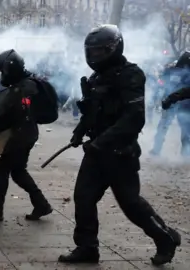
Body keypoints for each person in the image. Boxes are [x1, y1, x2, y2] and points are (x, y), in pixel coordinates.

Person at [59, 24, 181, 266]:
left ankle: (164, 237)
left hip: (119, 153)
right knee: (83, 198)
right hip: (96, 152)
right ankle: (87, 248)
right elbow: (91, 112)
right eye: (91, 52)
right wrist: (79, 132)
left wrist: (101, 142)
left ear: (114, 49)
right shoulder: (96, 78)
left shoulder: (130, 75)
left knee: (131, 204)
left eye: (99, 52)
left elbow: (134, 118)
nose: (94, 57)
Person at [0, 49, 53, 222]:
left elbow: (19, 114)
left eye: (2, 72)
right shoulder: (24, 84)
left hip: (22, 135)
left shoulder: (26, 87)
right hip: (24, 134)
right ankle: (41, 204)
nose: (1, 76)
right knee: (18, 172)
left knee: (0, 171)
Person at [160, 51, 190, 156]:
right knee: (186, 134)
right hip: (184, 106)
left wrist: (170, 98)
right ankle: (186, 157)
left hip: (184, 106)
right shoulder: (179, 74)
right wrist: (170, 98)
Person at [150, 60, 180, 156]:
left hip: (176, 103)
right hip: (171, 103)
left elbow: (160, 86)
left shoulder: (174, 72)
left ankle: (156, 150)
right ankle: (156, 150)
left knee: (163, 127)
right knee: (163, 127)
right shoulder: (170, 72)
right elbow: (161, 85)